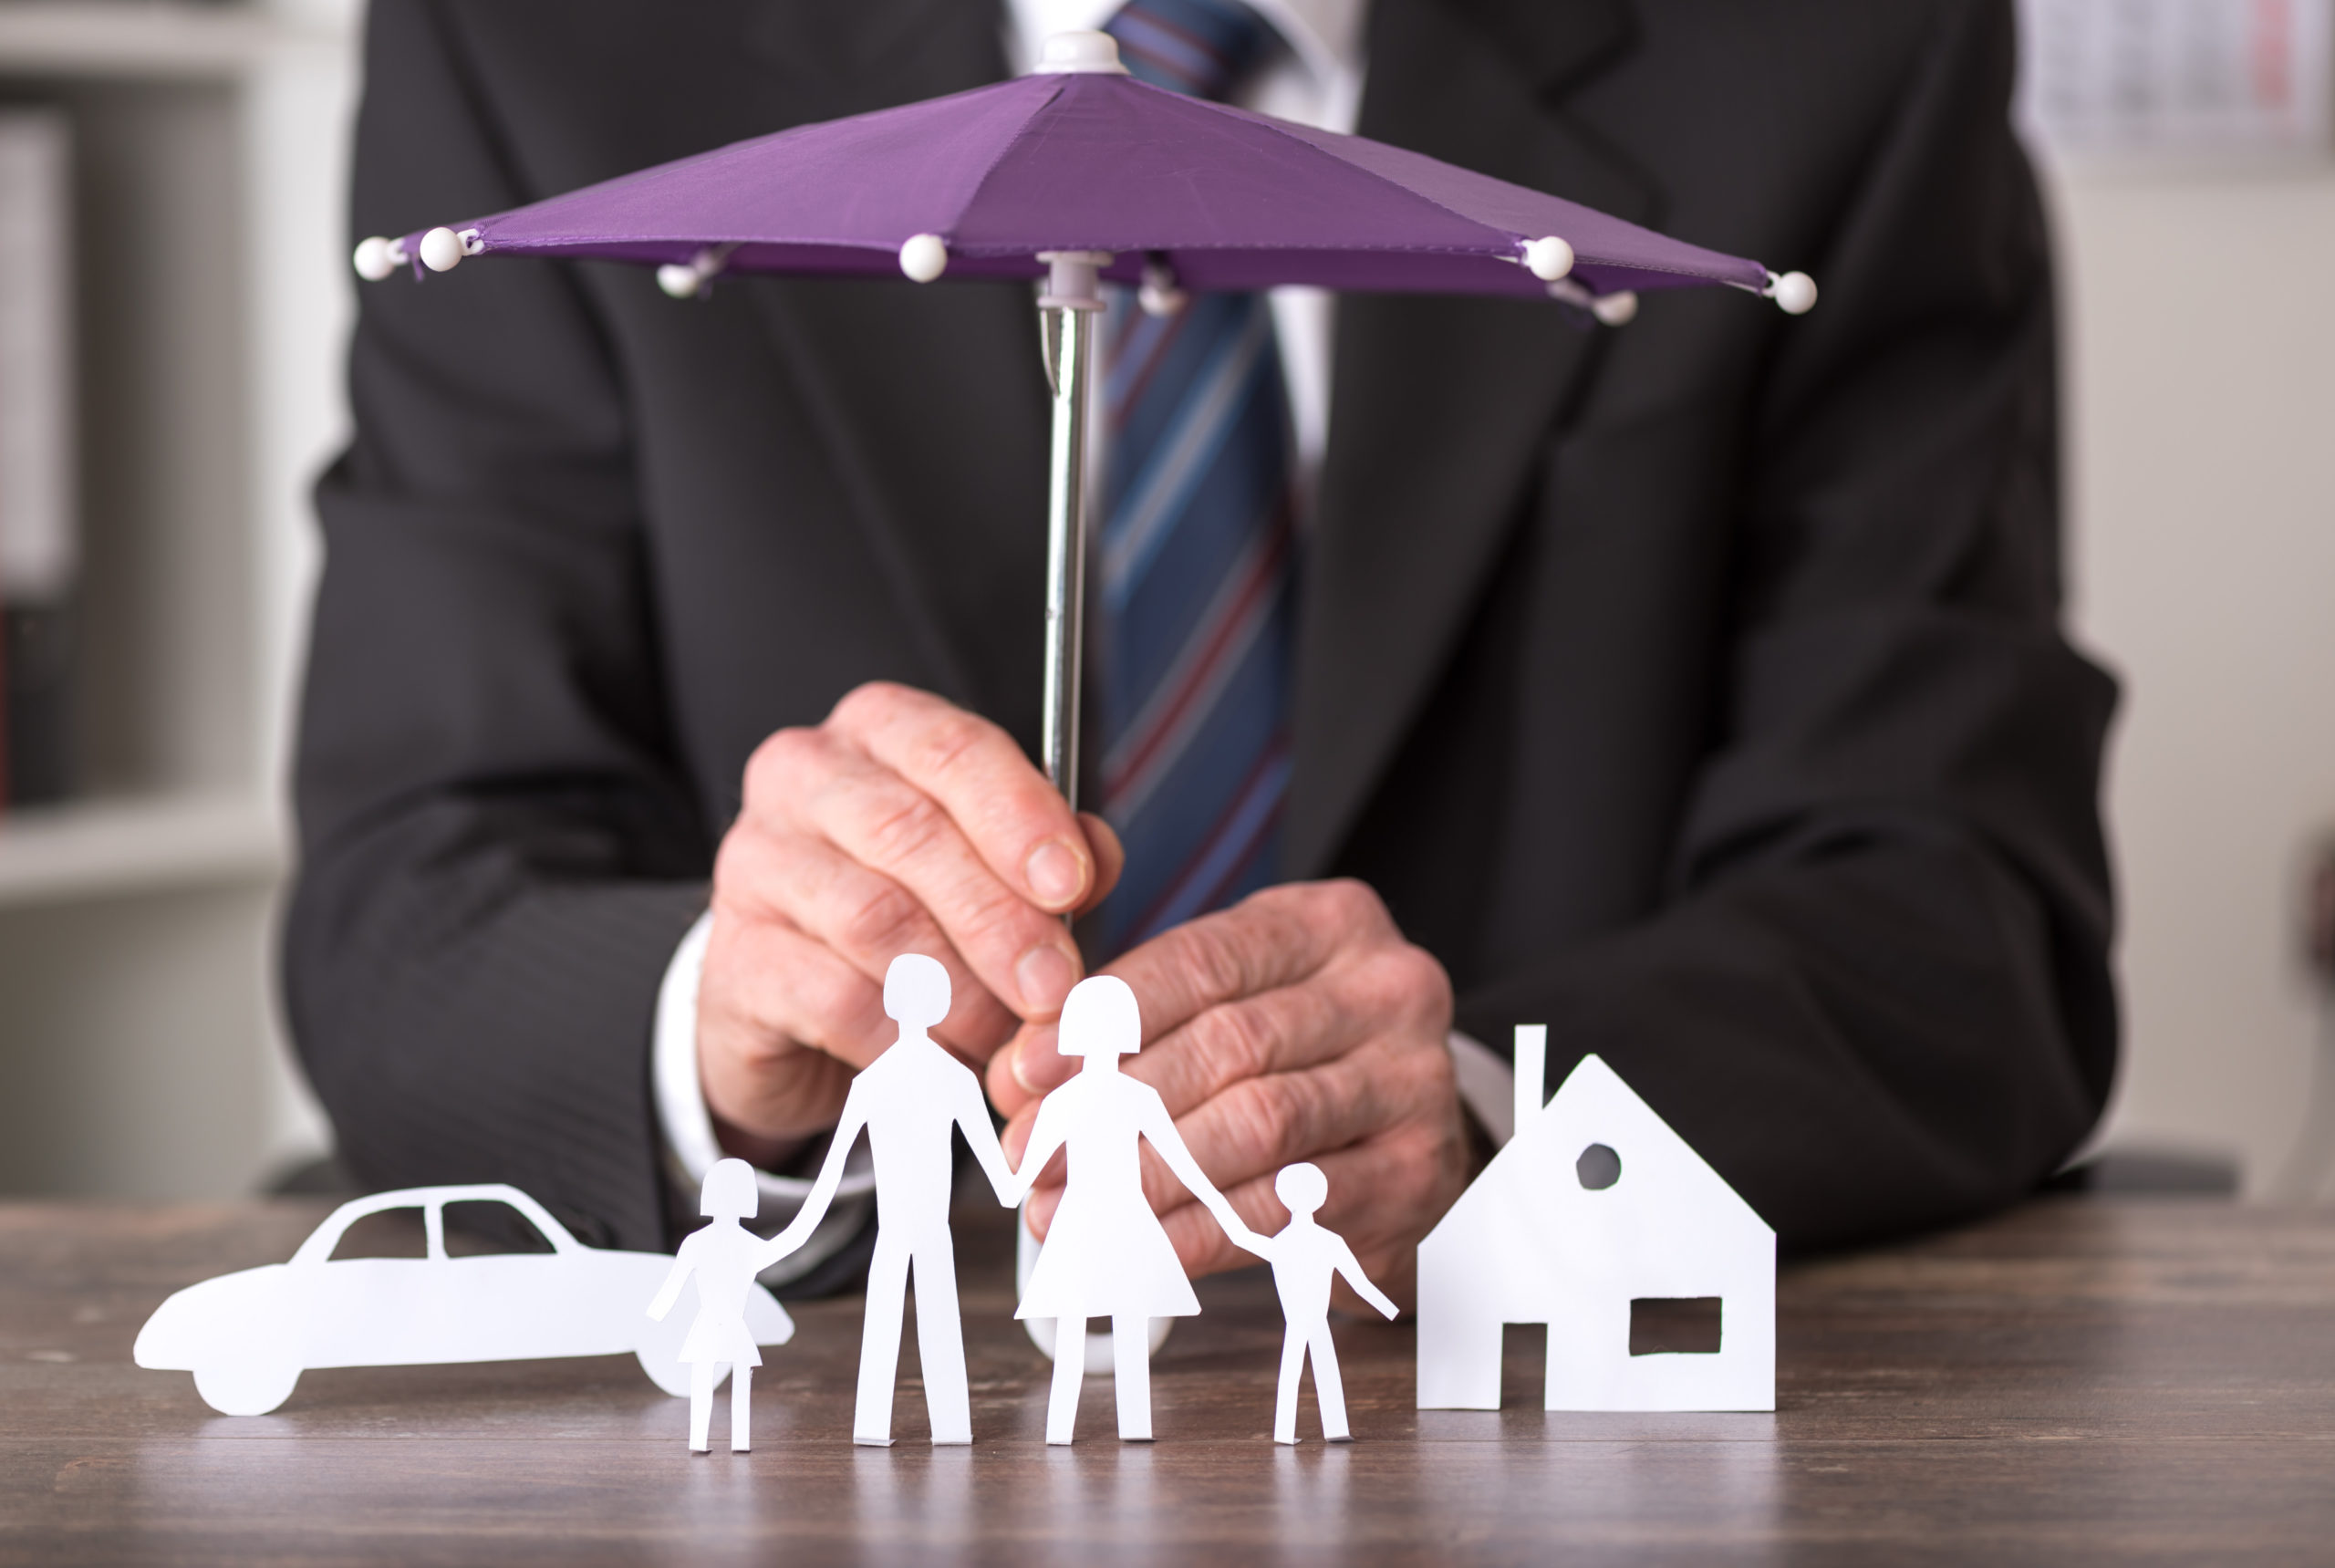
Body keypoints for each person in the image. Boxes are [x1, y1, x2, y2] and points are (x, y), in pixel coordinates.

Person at [288, 0, 2116, 1303]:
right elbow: (405, 902)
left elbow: (1959, 909)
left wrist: (1484, 1106)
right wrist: (724, 1017)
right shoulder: (535, 38)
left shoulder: (1840, 48)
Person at [760, 953, 1019, 1446]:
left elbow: (829, 1177)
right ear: (943, 1005)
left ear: (891, 1002)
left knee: (883, 1328)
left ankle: (877, 1427)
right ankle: (948, 1428)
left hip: (896, 1231)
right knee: (939, 1326)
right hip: (928, 1231)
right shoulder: (956, 1080)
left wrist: (786, 1241)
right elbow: (1005, 1184)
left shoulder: (872, 1082)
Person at [1001, 975, 1266, 1443]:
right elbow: (1187, 1169)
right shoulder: (1134, 1097)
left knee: (1075, 1329)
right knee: (1123, 1321)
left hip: (1089, 1222)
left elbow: (1018, 1182)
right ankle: (1128, 1429)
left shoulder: (1065, 1100)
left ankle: (1064, 1431)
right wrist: (1230, 1218)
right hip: (1123, 1220)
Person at [647, 1158, 785, 1453]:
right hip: (716, 1323)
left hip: (725, 1324)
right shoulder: (723, 1244)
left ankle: (726, 1442)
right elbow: (673, 1285)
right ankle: (715, 1442)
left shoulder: (734, 1244)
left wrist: (654, 1316)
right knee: (717, 1386)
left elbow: (672, 1286)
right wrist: (653, 1316)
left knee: (718, 1385)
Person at [1254, 1161, 1397, 1445]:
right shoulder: (1324, 1241)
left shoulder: (1282, 1243)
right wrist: (1387, 1308)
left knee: (1296, 1374)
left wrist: (1388, 1309)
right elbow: (1361, 1284)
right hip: (1309, 1320)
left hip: (1307, 1321)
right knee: (1321, 1374)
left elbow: (1360, 1283)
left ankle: (1298, 1432)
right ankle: (1325, 1430)